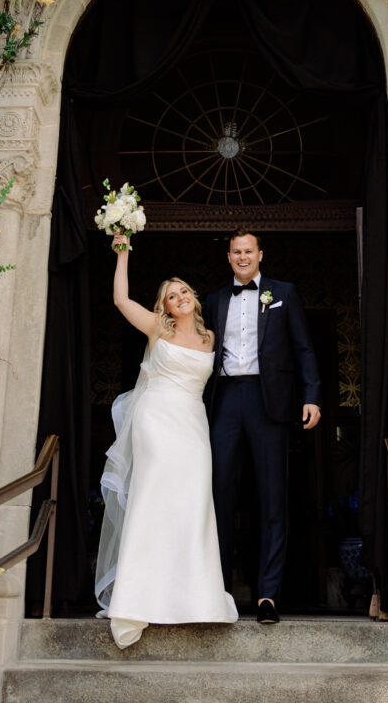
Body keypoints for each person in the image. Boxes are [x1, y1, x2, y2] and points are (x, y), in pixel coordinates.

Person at [95, 232, 237, 649]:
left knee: (193, 503)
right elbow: (121, 301)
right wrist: (122, 253)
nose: (180, 299)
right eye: (172, 296)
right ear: (166, 306)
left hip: (193, 422)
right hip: (156, 418)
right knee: (154, 498)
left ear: (194, 297)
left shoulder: (212, 338)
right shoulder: (159, 327)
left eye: (184, 292)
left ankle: (196, 599)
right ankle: (137, 600)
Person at [204, 228, 321, 625]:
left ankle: (268, 595)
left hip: (269, 403)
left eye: (248, 251)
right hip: (225, 402)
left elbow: (304, 347)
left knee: (273, 500)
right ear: (228, 257)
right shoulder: (213, 300)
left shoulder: (283, 292)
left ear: (260, 255)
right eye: (235, 252)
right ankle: (216, 593)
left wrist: (312, 395)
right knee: (219, 497)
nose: (241, 257)